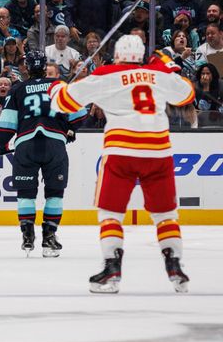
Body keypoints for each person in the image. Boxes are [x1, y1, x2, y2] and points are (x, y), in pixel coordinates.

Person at [49, 36, 196, 294]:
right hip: (158, 152)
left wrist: (57, 88)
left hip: (121, 152)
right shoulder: (158, 74)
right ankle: (175, 267)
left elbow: (62, 103)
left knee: (110, 213)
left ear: (117, 55)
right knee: (165, 215)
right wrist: (168, 66)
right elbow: (187, 94)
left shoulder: (106, 74)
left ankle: (112, 268)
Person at [0, 50, 86, 257]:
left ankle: (27, 236)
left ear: (27, 67)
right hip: (54, 145)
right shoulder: (59, 86)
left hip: (26, 146)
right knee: (55, 193)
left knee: (26, 194)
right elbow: (79, 115)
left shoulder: (18, 89)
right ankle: (49, 238)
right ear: (44, 65)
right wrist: (68, 127)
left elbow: (7, 126)